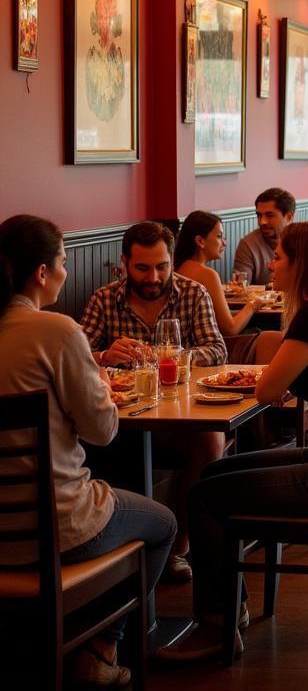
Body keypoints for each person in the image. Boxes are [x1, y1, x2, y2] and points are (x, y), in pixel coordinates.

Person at [158, 221, 308, 662]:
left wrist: (281, 379)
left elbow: (266, 393)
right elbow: (307, 382)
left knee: (204, 497)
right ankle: (233, 606)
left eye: (280, 256)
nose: (272, 263)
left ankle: (216, 626)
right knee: (213, 472)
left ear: (303, 264)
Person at [0, 215, 176, 687]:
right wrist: (98, 383)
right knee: (163, 523)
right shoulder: (55, 332)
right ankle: (98, 650)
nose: (65, 271)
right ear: (42, 272)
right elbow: (102, 432)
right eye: (62, 261)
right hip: (57, 529)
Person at [81, 221, 226, 583]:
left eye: (162, 266)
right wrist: (104, 355)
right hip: (120, 419)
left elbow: (217, 349)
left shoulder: (193, 294)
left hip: (179, 418)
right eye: (143, 268)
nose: (154, 276)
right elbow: (77, 352)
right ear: (125, 263)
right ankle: (120, 557)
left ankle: (179, 549)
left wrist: (175, 357)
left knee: (211, 440)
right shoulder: (105, 298)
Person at [175, 210, 260, 337]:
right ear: (200, 241)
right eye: (219, 236)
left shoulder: (179, 268)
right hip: (210, 346)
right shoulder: (208, 275)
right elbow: (230, 329)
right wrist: (253, 304)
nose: (224, 243)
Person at [232, 187, 296, 286]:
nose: (262, 222)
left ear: (289, 217)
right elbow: (240, 289)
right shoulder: (248, 244)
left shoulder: (302, 242)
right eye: (259, 215)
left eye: (270, 216)